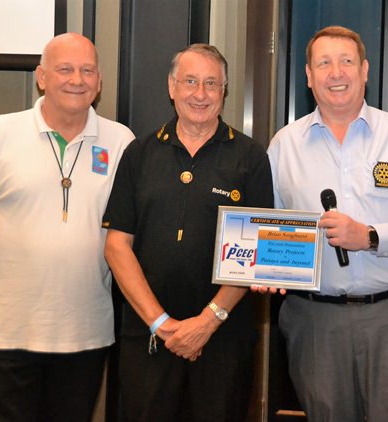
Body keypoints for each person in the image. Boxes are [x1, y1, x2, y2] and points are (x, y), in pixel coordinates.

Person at [264, 26, 388, 422]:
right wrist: (267, 266)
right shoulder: (284, 145)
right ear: (309, 76)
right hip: (314, 321)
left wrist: (370, 236)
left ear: (364, 70)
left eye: (347, 62)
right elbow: (271, 224)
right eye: (324, 63)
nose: (336, 73)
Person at [0, 33, 135, 421]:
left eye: (87, 70)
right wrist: (13, 286)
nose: (77, 79)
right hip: (5, 334)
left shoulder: (121, 143)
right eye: (64, 69)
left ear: (99, 81)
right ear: (41, 77)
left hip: (85, 334)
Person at [102, 43, 273, 421]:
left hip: (224, 339)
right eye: (190, 81)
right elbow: (117, 247)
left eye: (211, 83)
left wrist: (207, 322)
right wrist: (163, 325)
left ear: (224, 91)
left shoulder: (250, 157)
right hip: (147, 336)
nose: (200, 94)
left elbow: (257, 252)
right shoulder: (139, 154)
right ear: (171, 87)